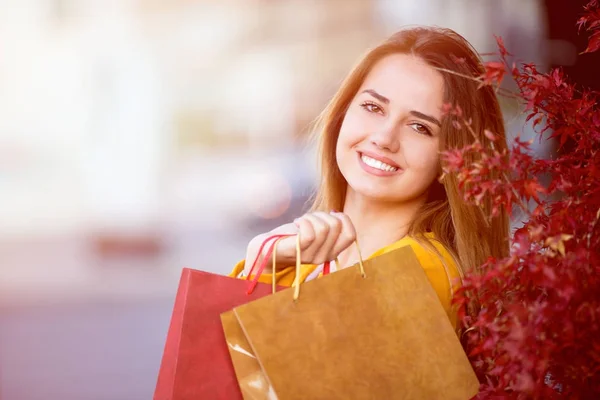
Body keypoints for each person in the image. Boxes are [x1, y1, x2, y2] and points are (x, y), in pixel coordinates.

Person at [229, 26, 510, 328]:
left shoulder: (421, 269)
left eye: (420, 127)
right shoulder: (296, 265)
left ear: (451, 160)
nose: (384, 138)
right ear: (342, 115)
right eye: (373, 107)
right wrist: (262, 263)